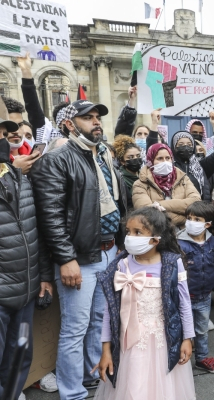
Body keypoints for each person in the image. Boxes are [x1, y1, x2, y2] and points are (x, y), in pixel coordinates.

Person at [29, 99, 128, 399]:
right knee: (75, 328)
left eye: (98, 117)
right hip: (80, 258)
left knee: (98, 322)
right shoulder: (58, 159)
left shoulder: (104, 156)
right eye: (88, 118)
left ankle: (90, 376)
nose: (96, 122)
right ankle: (72, 392)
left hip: (109, 252)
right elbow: (50, 217)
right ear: (70, 125)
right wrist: (66, 258)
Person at [93, 207, 195, 400]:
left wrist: (187, 338)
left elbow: (184, 304)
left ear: (156, 239)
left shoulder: (172, 265)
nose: (130, 237)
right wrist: (106, 350)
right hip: (129, 346)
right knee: (133, 389)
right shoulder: (121, 265)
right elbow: (110, 312)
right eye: (129, 232)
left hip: (163, 343)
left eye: (138, 232)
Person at [0, 124, 52, 399]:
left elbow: (36, 232)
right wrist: (12, 171)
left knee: (19, 354)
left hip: (27, 290)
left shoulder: (22, 176)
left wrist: (43, 276)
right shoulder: (14, 172)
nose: (11, 136)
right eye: (3, 131)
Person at [177, 201, 214, 374]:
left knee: (202, 329)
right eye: (189, 218)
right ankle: (179, 359)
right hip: (182, 298)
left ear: (207, 224)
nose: (191, 222)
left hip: (204, 296)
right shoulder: (178, 243)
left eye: (196, 219)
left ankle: (202, 358)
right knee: (182, 330)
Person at [132, 143, 201, 230]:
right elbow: (147, 212)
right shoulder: (141, 184)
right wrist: (185, 218)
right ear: (151, 160)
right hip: (158, 233)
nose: (165, 161)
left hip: (185, 231)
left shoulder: (183, 178)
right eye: (159, 158)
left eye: (168, 158)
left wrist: (160, 204)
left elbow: (195, 203)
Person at [172, 112, 214, 200]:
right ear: (174, 147)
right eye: (181, 144)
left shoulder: (201, 166)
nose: (186, 147)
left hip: (200, 210)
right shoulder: (169, 167)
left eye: (189, 144)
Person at [1, 95, 40, 175]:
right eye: (10, 125)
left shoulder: (32, 153)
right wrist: (15, 172)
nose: (16, 130)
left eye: (20, 125)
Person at [113, 136, 142, 209]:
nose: (136, 159)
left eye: (138, 156)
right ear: (122, 161)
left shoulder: (144, 175)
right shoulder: (121, 179)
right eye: (130, 157)